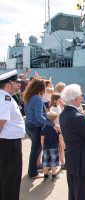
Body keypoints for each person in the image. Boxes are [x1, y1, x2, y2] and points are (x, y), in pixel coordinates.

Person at [59, 84, 85, 200]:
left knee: (73, 193)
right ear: (76, 98)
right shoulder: (78, 117)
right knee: (83, 194)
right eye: (81, 96)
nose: (82, 98)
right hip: (83, 163)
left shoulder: (63, 114)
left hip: (72, 160)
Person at [23, 78, 60, 178]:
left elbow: (27, 112)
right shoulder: (37, 99)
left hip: (29, 126)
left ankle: (34, 168)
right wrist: (53, 124)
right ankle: (33, 172)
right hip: (36, 127)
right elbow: (39, 117)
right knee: (36, 150)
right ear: (40, 88)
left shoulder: (28, 96)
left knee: (35, 149)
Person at [0, 70, 25, 200]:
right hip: (9, 145)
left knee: (6, 178)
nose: (19, 85)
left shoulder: (6, 97)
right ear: (8, 85)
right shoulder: (5, 98)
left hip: (8, 143)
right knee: (11, 180)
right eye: (17, 83)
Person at [41, 111, 60, 181]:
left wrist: (42, 147)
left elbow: (42, 139)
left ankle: (45, 175)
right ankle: (54, 175)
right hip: (54, 147)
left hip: (46, 147)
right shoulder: (56, 128)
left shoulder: (44, 128)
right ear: (54, 119)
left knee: (45, 161)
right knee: (53, 162)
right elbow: (60, 137)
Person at [50, 92, 65, 169]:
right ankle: (62, 163)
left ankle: (61, 162)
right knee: (60, 147)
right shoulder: (53, 108)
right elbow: (53, 120)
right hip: (57, 129)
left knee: (61, 146)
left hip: (60, 128)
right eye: (59, 99)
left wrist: (62, 107)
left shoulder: (59, 107)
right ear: (55, 100)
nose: (61, 100)